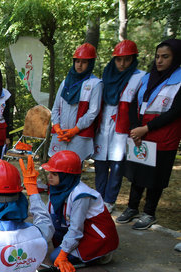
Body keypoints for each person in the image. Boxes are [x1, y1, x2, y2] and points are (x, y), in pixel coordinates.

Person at [117, 39, 181, 230]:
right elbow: (133, 103)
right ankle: (132, 207)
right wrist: (136, 127)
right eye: (157, 56)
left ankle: (149, 212)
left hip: (162, 137)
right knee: (137, 172)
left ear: (176, 57)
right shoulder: (147, 78)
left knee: (155, 177)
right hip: (140, 135)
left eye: (165, 57)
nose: (159, 61)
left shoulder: (179, 80)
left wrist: (147, 129)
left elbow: (176, 111)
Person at [43, 150, 119, 272]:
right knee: (52, 221)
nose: (49, 177)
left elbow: (76, 229)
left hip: (96, 236)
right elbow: (46, 216)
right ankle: (73, 250)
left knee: (55, 257)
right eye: (49, 173)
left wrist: (63, 254)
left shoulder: (81, 195)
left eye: (54, 174)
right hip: (81, 230)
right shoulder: (58, 188)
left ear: (66, 176)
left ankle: (100, 255)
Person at [93, 40, 145, 213]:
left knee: (116, 165)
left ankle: (110, 200)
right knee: (100, 164)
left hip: (122, 129)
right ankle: (99, 197)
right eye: (118, 60)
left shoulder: (140, 77)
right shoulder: (106, 76)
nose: (122, 64)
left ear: (133, 59)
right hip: (103, 126)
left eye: (127, 60)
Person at [49, 43, 103, 161]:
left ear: (90, 64)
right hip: (60, 134)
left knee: (74, 167)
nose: (79, 65)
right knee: (56, 168)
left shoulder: (95, 84)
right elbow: (56, 107)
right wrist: (57, 127)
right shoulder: (65, 82)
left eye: (84, 62)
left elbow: (93, 112)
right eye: (77, 61)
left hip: (79, 135)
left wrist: (75, 130)